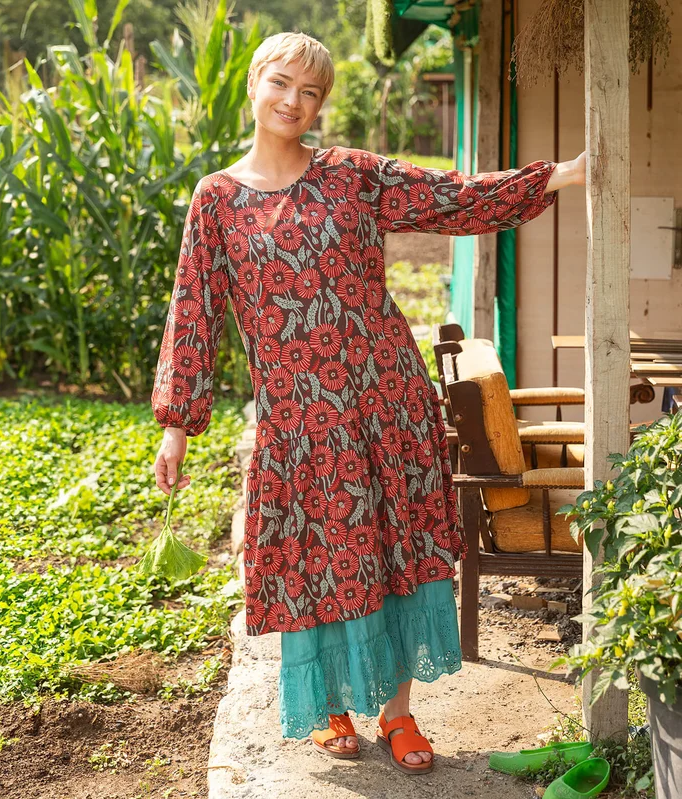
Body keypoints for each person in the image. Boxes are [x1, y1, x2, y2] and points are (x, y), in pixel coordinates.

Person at [151, 31, 586, 775]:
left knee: (398, 550)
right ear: (256, 83)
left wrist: (562, 177)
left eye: (311, 91)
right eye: (282, 83)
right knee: (316, 556)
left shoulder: (352, 174)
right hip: (298, 419)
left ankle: (399, 713)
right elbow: (193, 309)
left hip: (388, 402)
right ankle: (330, 706)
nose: (294, 101)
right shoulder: (216, 199)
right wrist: (177, 428)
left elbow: (452, 197)